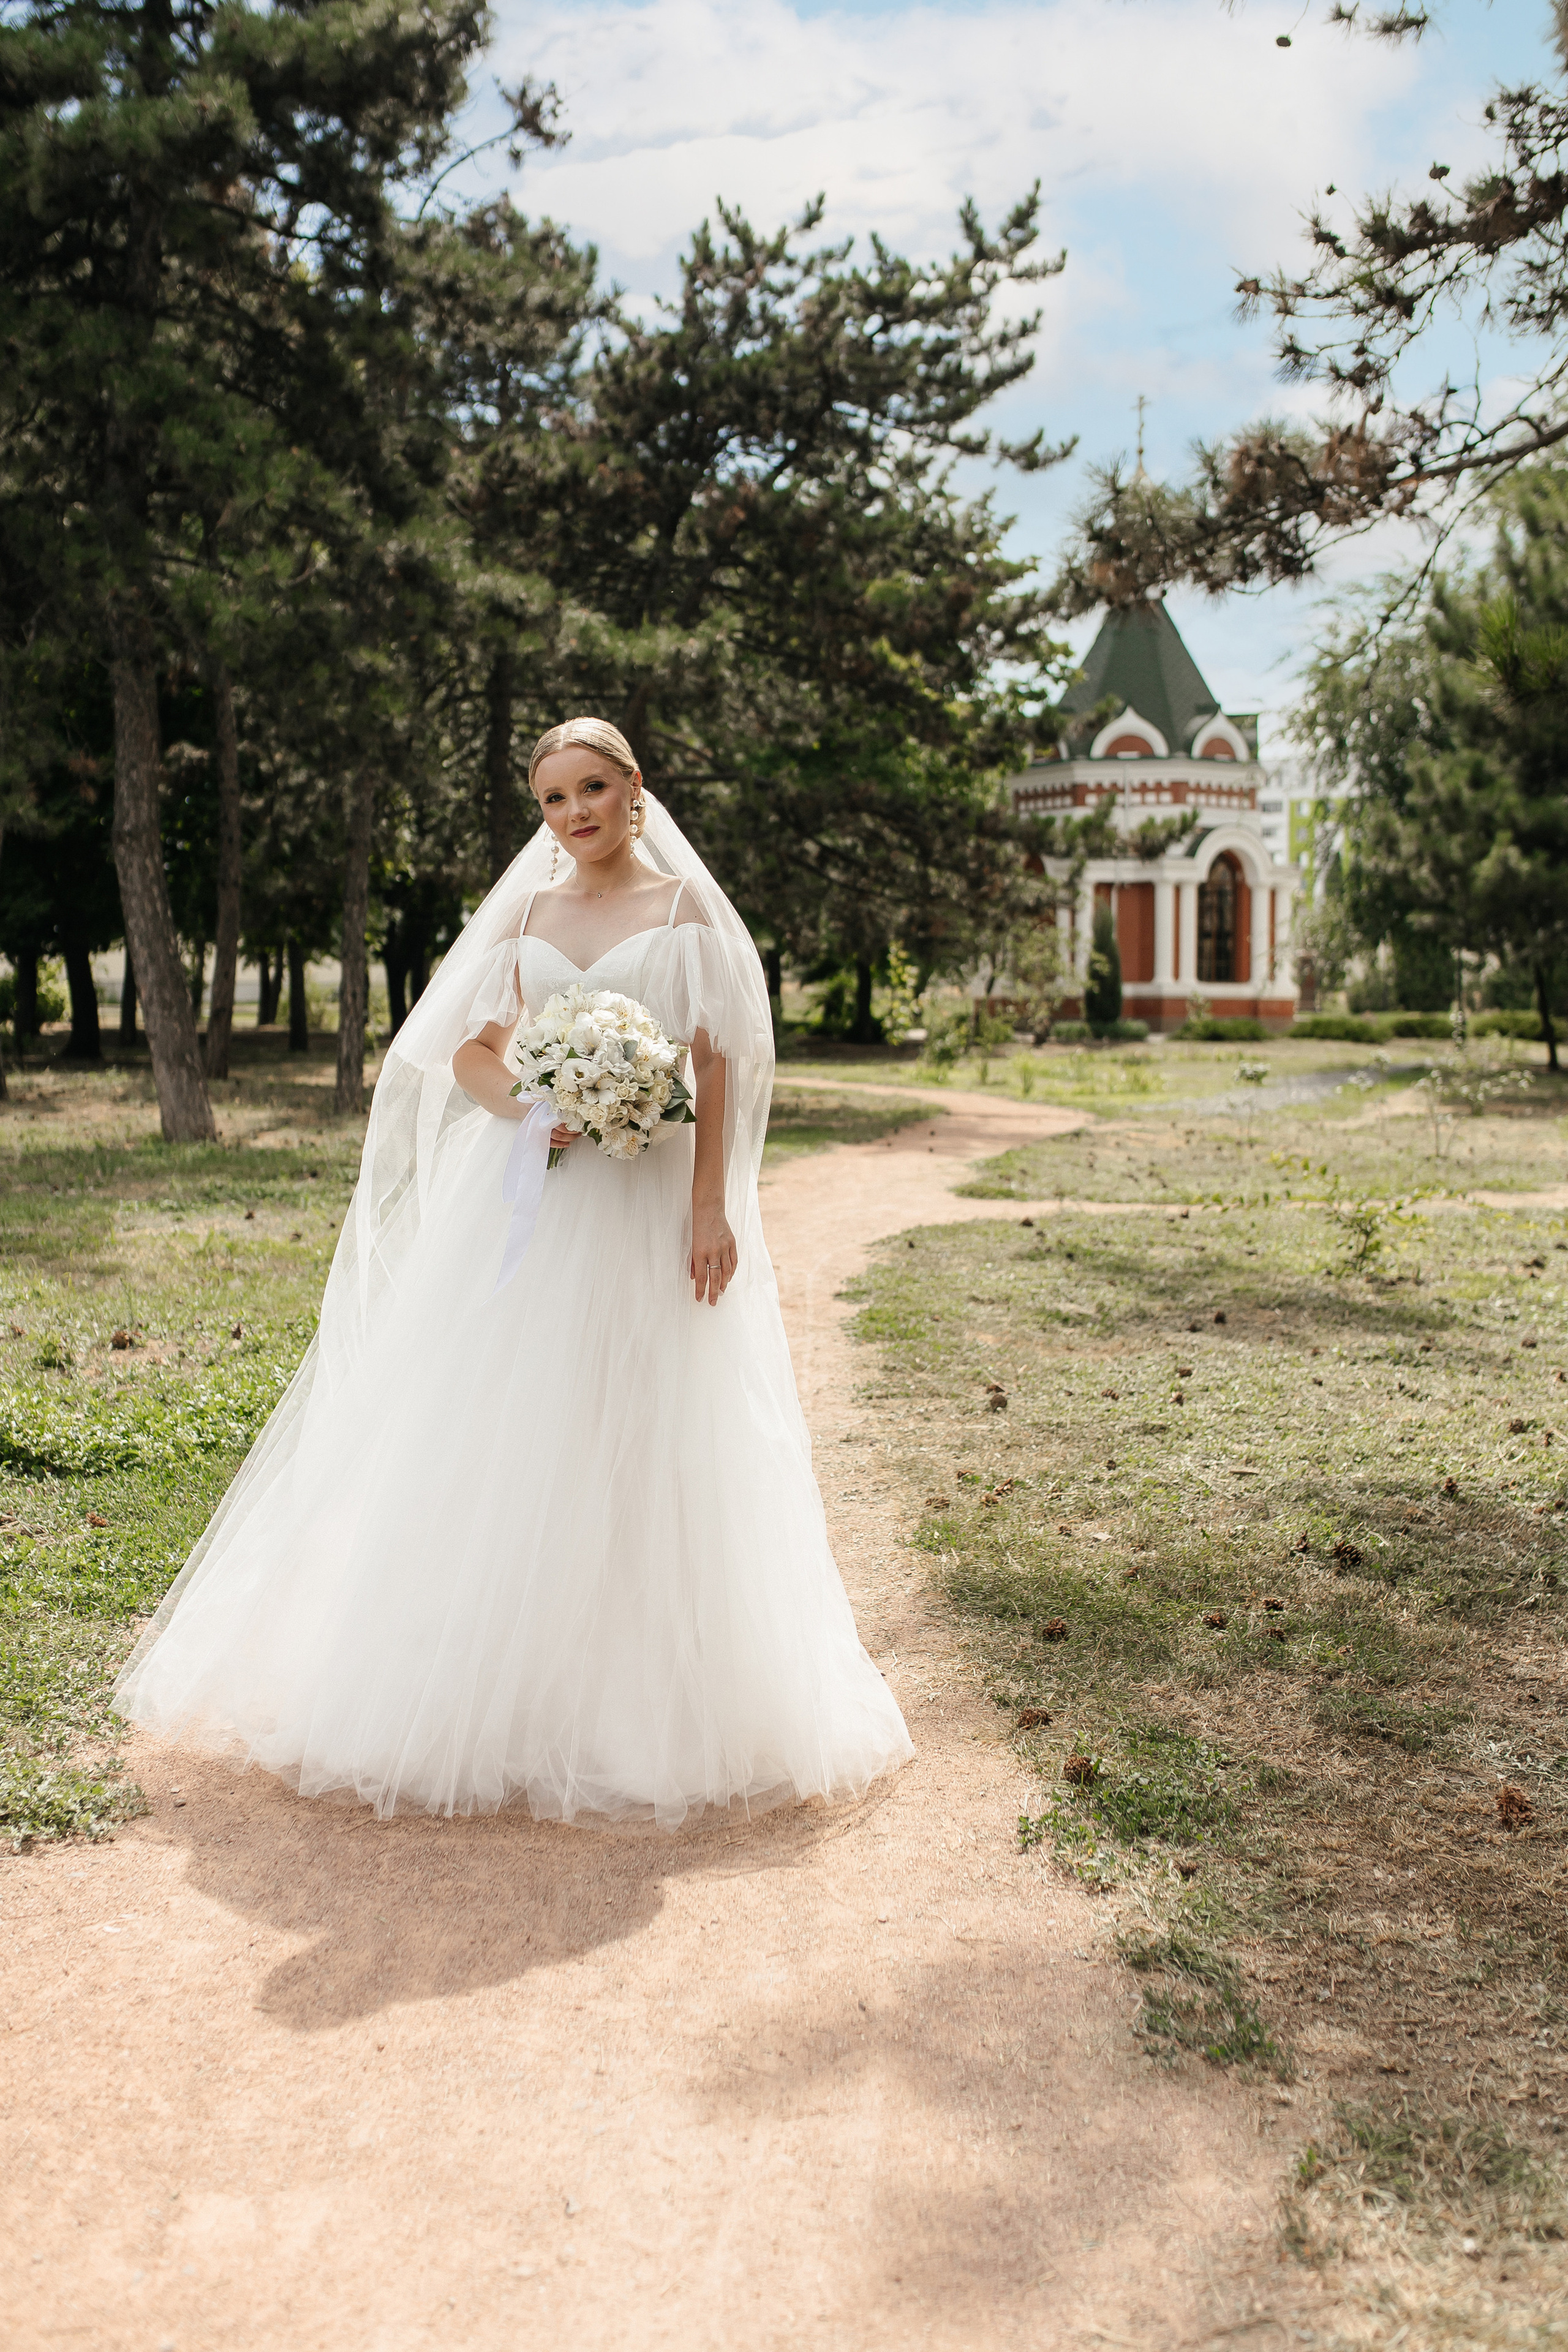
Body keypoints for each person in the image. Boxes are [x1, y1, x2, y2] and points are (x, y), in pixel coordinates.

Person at [116, 717, 913, 1827]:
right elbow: (472, 1052)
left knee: (652, 1415)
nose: (575, 814)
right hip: (541, 1197)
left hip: (649, 1197)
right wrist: (537, 1109)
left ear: (636, 788)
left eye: (592, 789)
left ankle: (642, 1701)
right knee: (517, 1421)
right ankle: (494, 1675)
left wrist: (710, 1204)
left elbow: (718, 1058)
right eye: (552, 800)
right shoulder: (528, 917)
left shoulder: (685, 915)